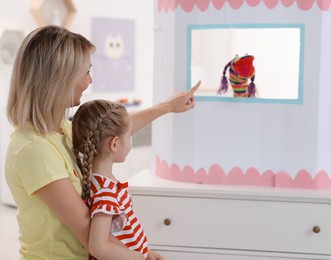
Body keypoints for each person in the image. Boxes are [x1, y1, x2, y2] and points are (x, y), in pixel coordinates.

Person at [5, 25, 200, 259]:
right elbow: (91, 235)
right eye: (85, 72)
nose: (90, 80)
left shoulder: (58, 130)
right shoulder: (35, 151)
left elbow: (108, 132)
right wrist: (142, 255)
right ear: (59, 78)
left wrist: (167, 107)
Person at [72, 99, 160, 260]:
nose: (130, 143)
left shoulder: (101, 183)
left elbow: (121, 234)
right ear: (115, 144)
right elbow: (98, 247)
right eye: (129, 137)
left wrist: (145, 253)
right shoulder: (106, 192)